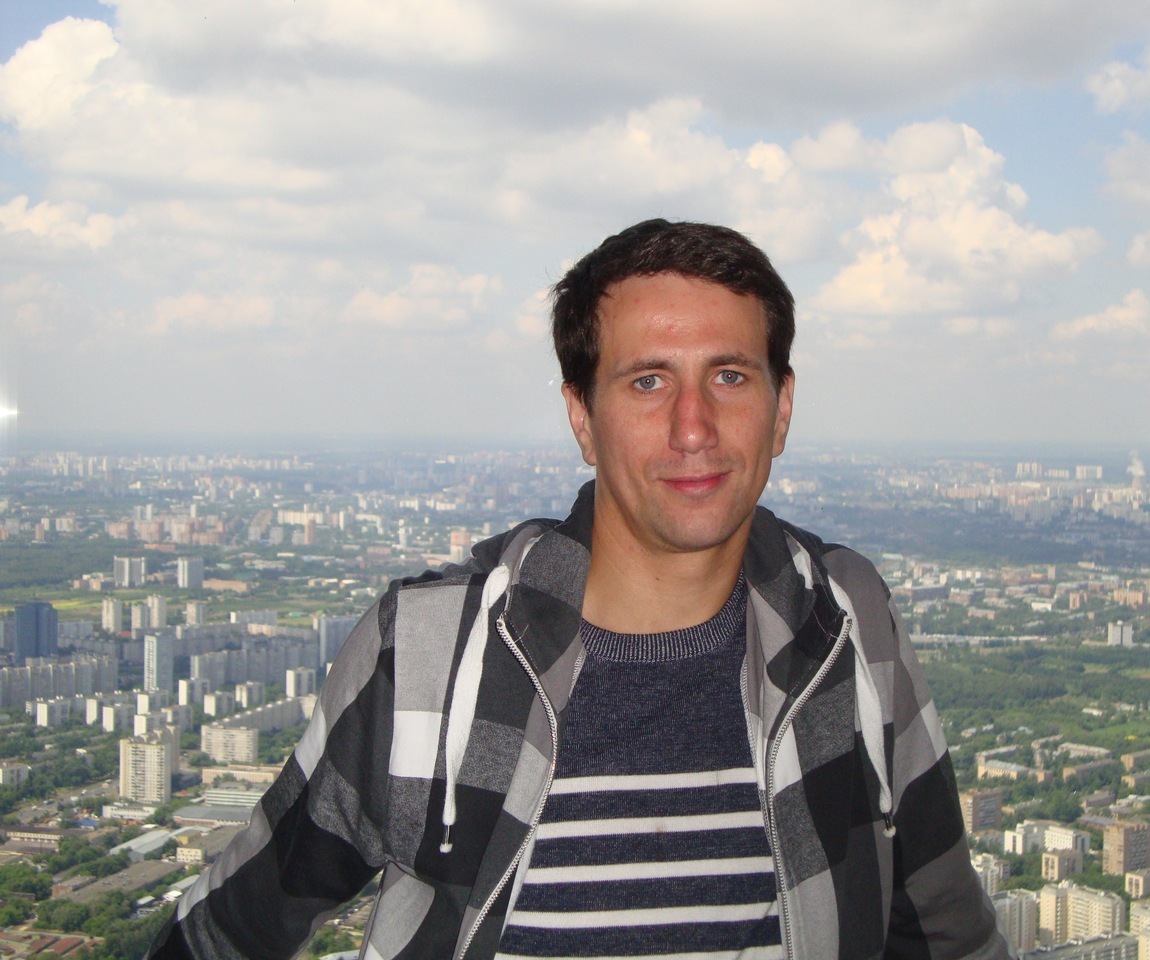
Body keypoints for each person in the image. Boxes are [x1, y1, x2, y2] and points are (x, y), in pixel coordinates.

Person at [148, 220, 1007, 960]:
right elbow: (234, 926)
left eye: (730, 376)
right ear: (582, 419)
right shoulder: (434, 652)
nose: (694, 427)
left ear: (781, 408)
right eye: (648, 381)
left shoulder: (847, 621)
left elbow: (943, 931)